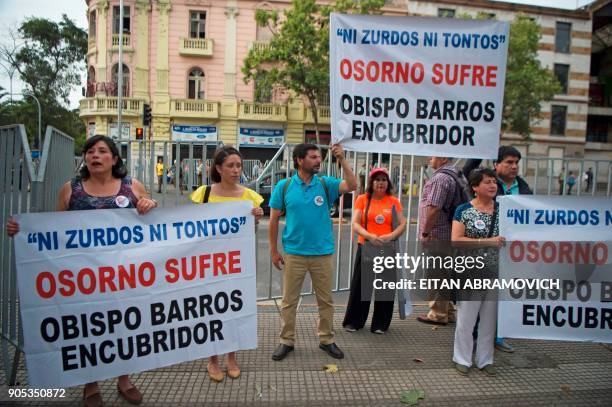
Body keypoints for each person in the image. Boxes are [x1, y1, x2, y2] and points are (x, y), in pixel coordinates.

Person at [6, 135, 157, 407]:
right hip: (82, 279)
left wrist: (149, 204)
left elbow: (152, 219)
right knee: (89, 329)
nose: (94, 156)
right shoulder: (71, 190)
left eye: (101, 151)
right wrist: (23, 231)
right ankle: (91, 383)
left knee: (123, 326)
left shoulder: (131, 187)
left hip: (123, 277)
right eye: (89, 151)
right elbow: (53, 232)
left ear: (115, 159)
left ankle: (124, 379)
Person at [269, 143, 357, 361]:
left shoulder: (326, 184)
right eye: (313, 157)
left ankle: (326, 339)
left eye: (319, 157)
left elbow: (353, 184)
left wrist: (342, 159)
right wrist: (273, 250)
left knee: (325, 301)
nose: (319, 160)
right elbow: (272, 219)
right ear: (300, 160)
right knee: (289, 301)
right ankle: (286, 341)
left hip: (322, 253)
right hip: (294, 253)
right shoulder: (285, 186)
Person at [189, 146, 264, 383]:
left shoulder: (250, 197)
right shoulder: (203, 194)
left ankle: (232, 357)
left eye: (239, 165)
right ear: (218, 168)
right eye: (230, 165)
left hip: (236, 265)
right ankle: (212, 359)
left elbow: (250, 232)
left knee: (234, 310)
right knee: (211, 310)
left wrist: (256, 219)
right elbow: (191, 229)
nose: (235, 170)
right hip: (209, 264)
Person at [463, 146, 532, 353]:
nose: (514, 166)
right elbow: (468, 170)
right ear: (496, 164)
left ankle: (497, 336)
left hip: (511, 252)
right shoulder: (489, 183)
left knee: (502, 296)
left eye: (516, 163)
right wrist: (485, 144)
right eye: (509, 162)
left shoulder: (524, 188)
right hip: (485, 250)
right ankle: (473, 337)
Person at [451, 168, 505, 377]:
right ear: (475, 187)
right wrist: (487, 242)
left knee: (490, 320)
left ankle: (485, 359)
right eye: (487, 182)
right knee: (467, 319)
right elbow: (456, 240)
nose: (493, 185)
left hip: (496, 273)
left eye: (494, 182)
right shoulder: (464, 210)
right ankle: (462, 358)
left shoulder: (503, 209)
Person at [343, 167, 406, 334]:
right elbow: (355, 223)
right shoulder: (362, 199)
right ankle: (354, 322)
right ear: (371, 183)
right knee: (361, 287)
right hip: (366, 246)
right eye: (377, 179)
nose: (381, 183)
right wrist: (369, 236)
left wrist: (390, 236)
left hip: (387, 247)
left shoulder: (393, 201)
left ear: (388, 183)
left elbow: (402, 223)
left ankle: (380, 324)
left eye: (384, 180)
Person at [416, 156, 460, 325]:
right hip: (447, 233)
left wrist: (426, 233)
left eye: (433, 155)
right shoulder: (453, 173)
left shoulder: (440, 178)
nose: (429, 158)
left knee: (436, 275)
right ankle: (447, 310)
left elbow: (434, 208)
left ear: (442, 158)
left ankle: (437, 314)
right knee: (444, 273)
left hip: (437, 234)